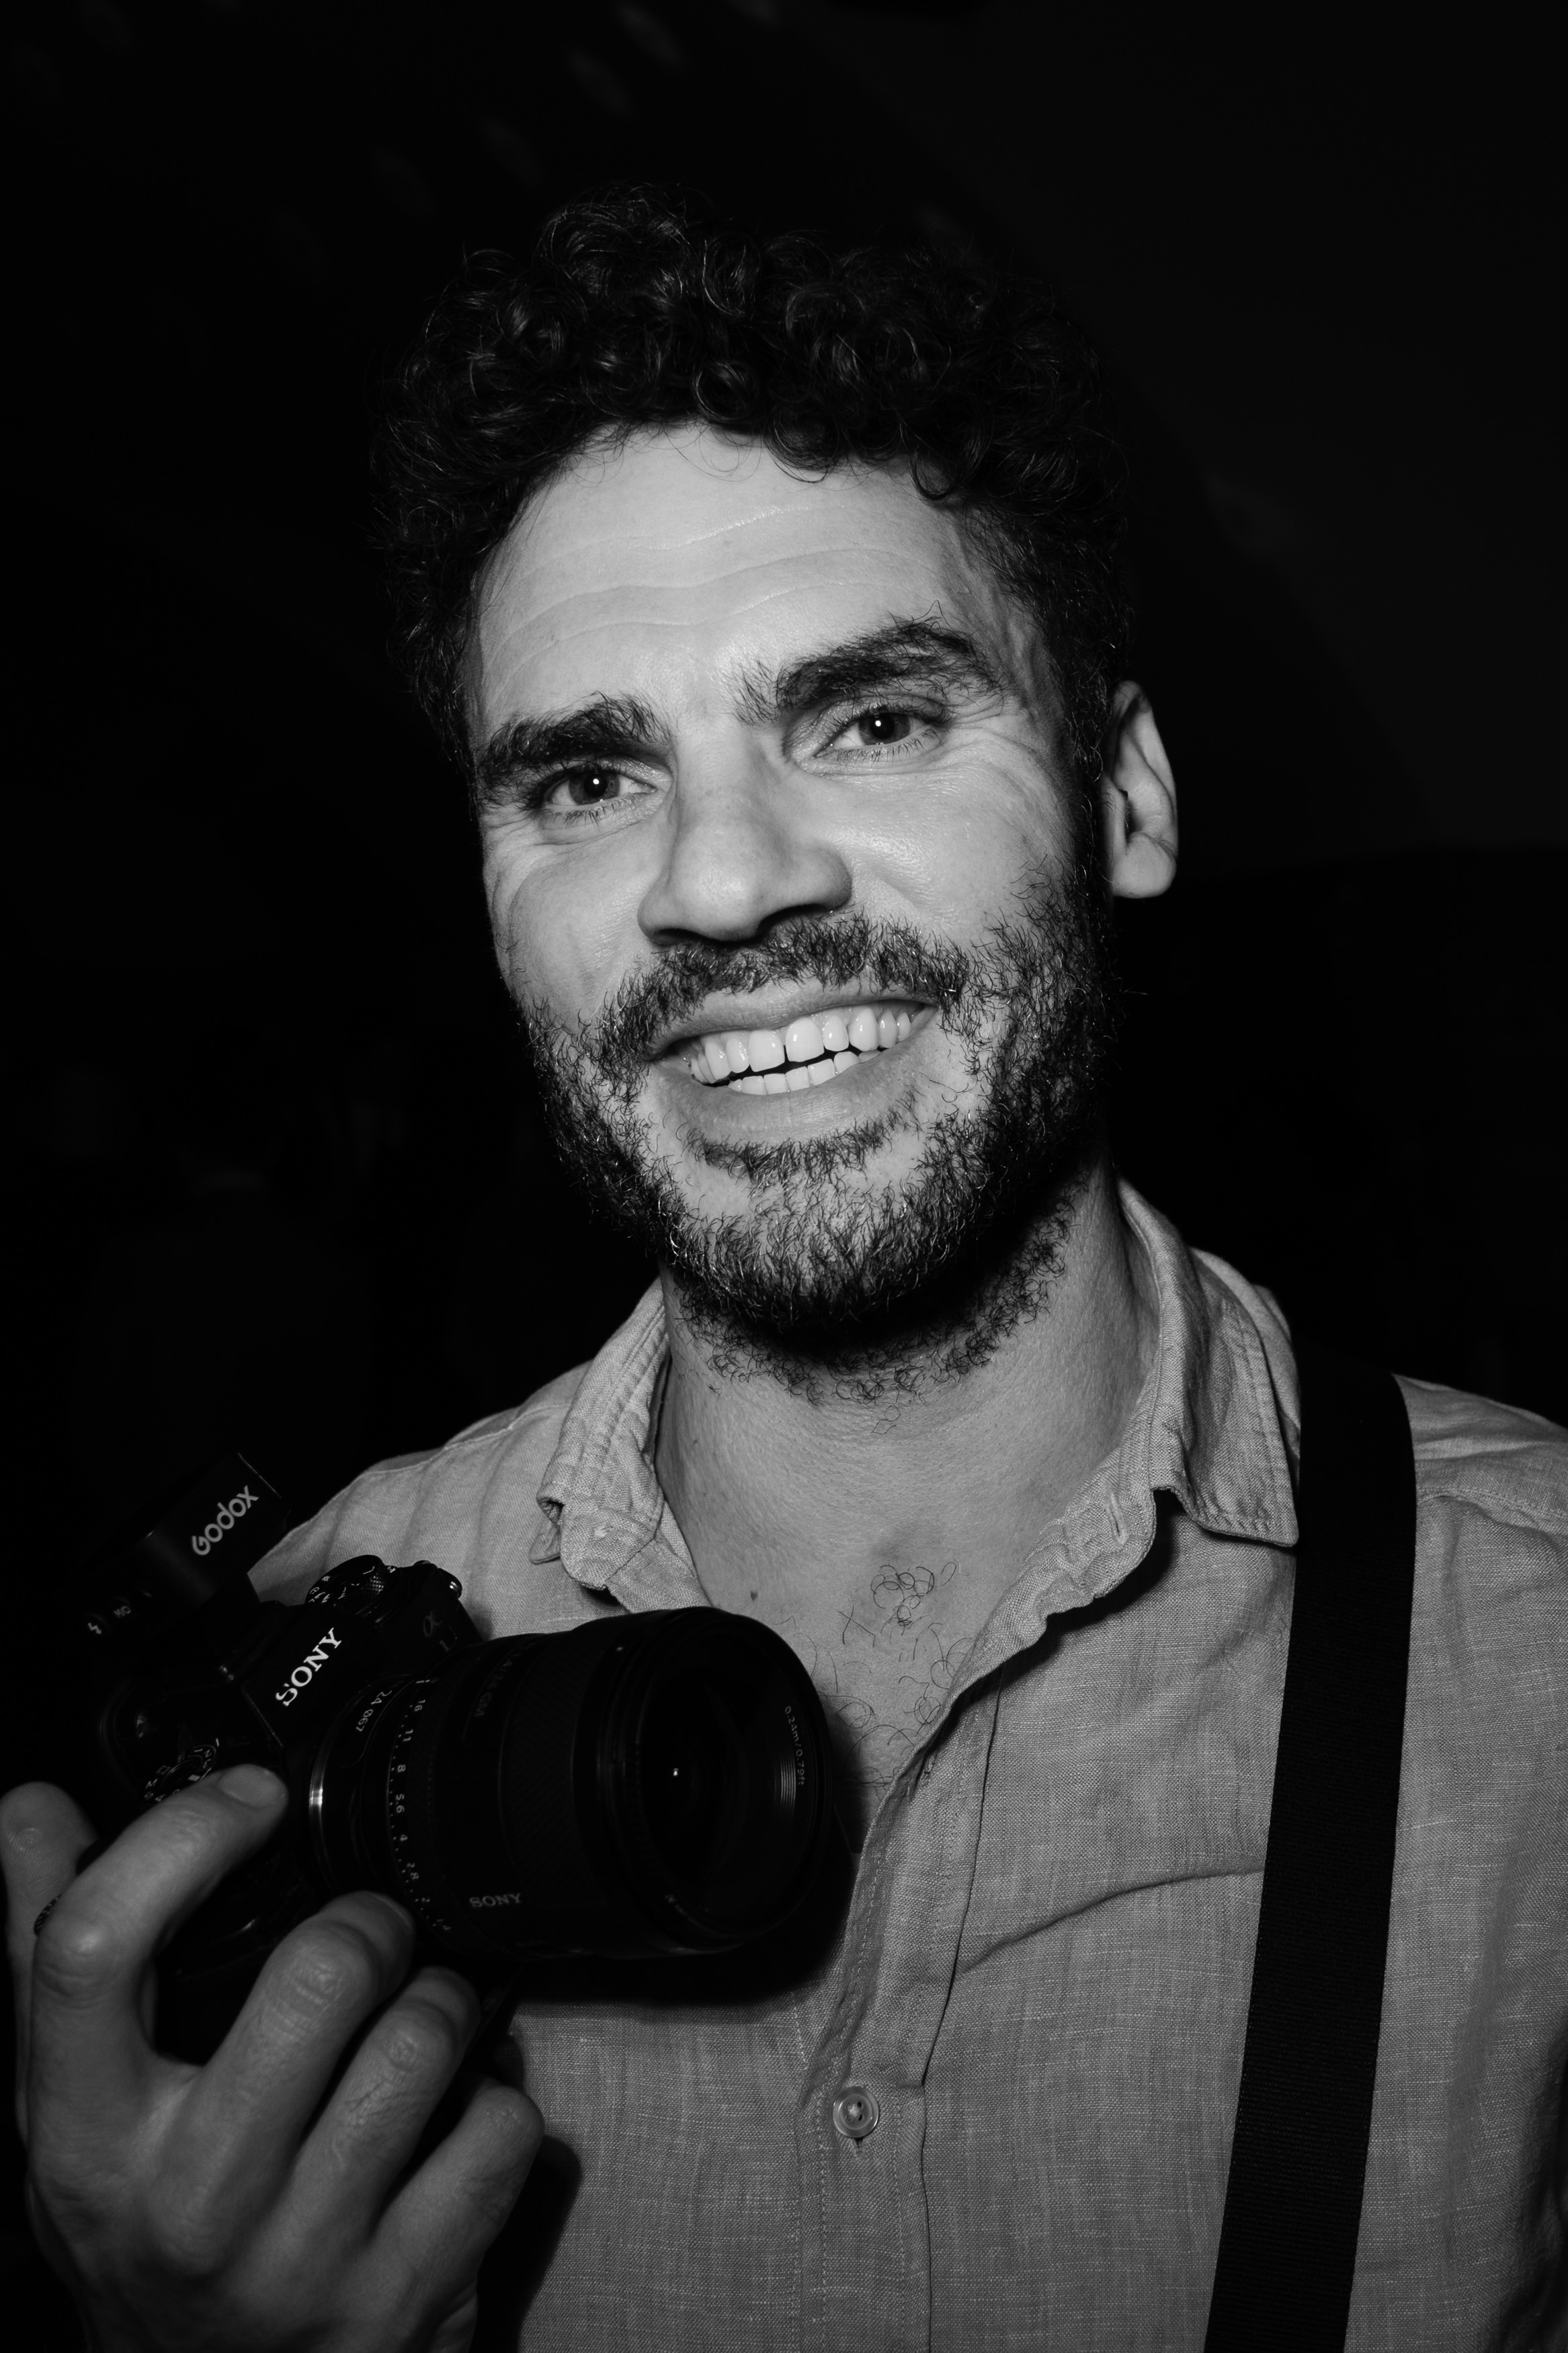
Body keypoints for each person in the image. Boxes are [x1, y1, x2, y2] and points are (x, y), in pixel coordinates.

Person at [5, 191, 1566, 2353]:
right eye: (587, 771)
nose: (725, 882)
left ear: (1127, 795)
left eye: (873, 720)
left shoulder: (1541, 1655)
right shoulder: (309, 1691)